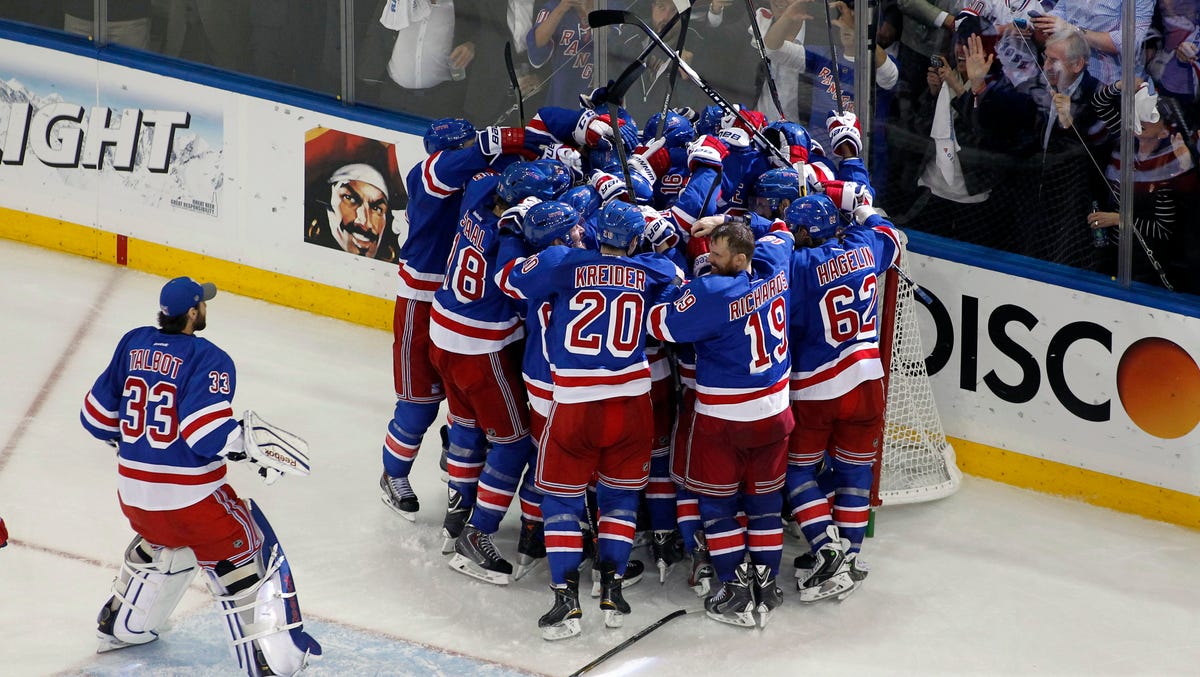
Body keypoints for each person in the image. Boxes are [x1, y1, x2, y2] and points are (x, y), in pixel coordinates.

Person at [79, 277, 320, 676]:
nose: (205, 308)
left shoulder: (132, 343)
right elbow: (204, 433)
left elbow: (95, 417)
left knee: (166, 544)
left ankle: (122, 624)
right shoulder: (208, 357)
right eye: (202, 304)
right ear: (193, 312)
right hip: (193, 501)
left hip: (134, 496)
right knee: (244, 545)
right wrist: (249, 445)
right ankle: (269, 659)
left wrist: (137, 449)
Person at [497, 199, 684, 639]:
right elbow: (678, 278)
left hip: (576, 403)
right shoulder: (651, 269)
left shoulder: (564, 261)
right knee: (619, 501)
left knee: (561, 501)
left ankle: (566, 602)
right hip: (633, 405)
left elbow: (509, 279)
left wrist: (512, 235)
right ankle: (613, 590)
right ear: (635, 240)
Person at [647, 218, 795, 630]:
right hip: (776, 414)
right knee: (765, 506)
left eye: (717, 254)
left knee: (718, 505)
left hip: (726, 420)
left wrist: (671, 284)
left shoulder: (711, 293)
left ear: (741, 258)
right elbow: (781, 229)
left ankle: (732, 587)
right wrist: (736, 222)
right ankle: (766, 585)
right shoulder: (774, 264)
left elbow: (659, 325)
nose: (709, 260)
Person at [782, 195, 902, 603]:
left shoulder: (799, 266)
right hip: (868, 380)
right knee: (855, 472)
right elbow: (892, 238)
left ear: (802, 232)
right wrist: (865, 210)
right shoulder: (864, 245)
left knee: (796, 472)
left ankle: (827, 549)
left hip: (817, 387)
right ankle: (850, 557)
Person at [1089, 79, 1200, 290]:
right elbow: (1099, 103)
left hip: (1148, 260)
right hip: (1114, 249)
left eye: (1150, 116)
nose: (1140, 120)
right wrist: (1122, 85)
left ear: (1164, 130)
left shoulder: (1171, 164)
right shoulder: (1127, 141)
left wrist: (1120, 220)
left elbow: (1163, 229)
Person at [1030, 0, 1155, 85]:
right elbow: (1062, 10)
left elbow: (1128, 42)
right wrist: (1045, 21)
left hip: (1110, 83)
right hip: (1071, 75)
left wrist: (1073, 30)